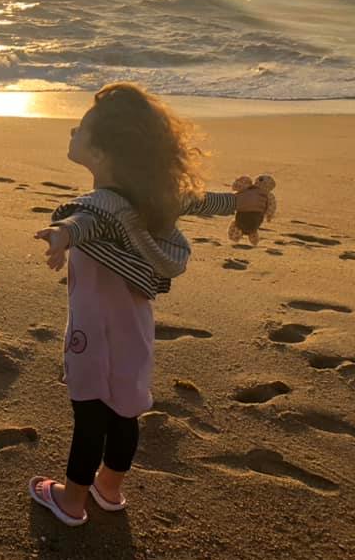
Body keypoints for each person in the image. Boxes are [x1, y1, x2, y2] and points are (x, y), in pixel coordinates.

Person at [28, 82, 270, 526]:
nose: (71, 131)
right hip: (135, 333)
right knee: (125, 411)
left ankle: (72, 500)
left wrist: (61, 236)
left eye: (80, 128)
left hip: (92, 334)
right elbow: (199, 200)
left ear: (101, 155)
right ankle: (110, 488)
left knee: (89, 414)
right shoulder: (154, 199)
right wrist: (240, 201)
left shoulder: (103, 204)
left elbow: (83, 221)